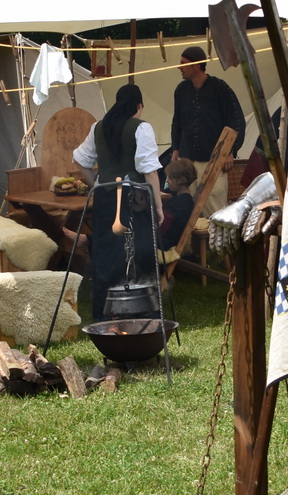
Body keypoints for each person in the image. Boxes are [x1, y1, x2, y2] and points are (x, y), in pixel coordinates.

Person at [73, 84, 163, 321]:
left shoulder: (98, 127)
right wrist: (158, 205)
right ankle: (141, 312)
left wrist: (96, 183)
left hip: (105, 198)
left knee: (106, 253)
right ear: (138, 105)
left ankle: (105, 313)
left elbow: (80, 159)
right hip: (135, 199)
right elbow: (149, 170)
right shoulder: (141, 128)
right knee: (137, 253)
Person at [170, 46, 245, 217]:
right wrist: (175, 148)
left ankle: (218, 244)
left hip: (215, 159)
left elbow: (235, 121)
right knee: (191, 206)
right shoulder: (181, 91)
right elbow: (177, 122)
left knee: (215, 204)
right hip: (189, 160)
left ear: (196, 65)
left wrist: (229, 152)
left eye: (183, 63)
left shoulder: (219, 88)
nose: (179, 67)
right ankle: (196, 244)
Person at [160, 158, 198, 250]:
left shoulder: (182, 203)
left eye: (170, 178)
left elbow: (164, 226)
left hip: (166, 243)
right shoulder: (178, 195)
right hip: (166, 239)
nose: (167, 181)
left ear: (182, 180)